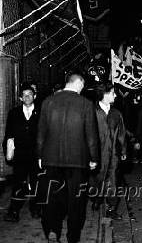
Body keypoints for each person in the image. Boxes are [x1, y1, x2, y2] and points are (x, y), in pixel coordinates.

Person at [36, 72, 99, 242]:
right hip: (77, 161)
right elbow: (91, 136)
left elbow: (41, 133)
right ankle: (73, 236)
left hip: (51, 160)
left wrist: (40, 155)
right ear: (79, 83)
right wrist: (94, 158)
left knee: (52, 199)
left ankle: (52, 230)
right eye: (83, 85)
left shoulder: (48, 102)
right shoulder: (86, 104)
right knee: (76, 202)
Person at [2, 83, 41, 222]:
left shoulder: (41, 112)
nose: (27, 97)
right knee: (18, 183)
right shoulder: (14, 113)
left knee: (37, 182)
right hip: (20, 155)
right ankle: (14, 211)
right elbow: (8, 135)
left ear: (34, 96)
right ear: (20, 98)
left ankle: (36, 208)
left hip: (37, 155)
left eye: (30, 94)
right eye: (24, 95)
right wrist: (8, 154)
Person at [91, 82, 127, 220]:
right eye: (113, 93)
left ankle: (112, 208)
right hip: (97, 155)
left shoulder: (116, 113)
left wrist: (123, 151)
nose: (115, 95)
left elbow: (122, 134)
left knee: (113, 180)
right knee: (96, 179)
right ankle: (96, 198)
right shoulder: (92, 112)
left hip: (113, 155)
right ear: (105, 94)